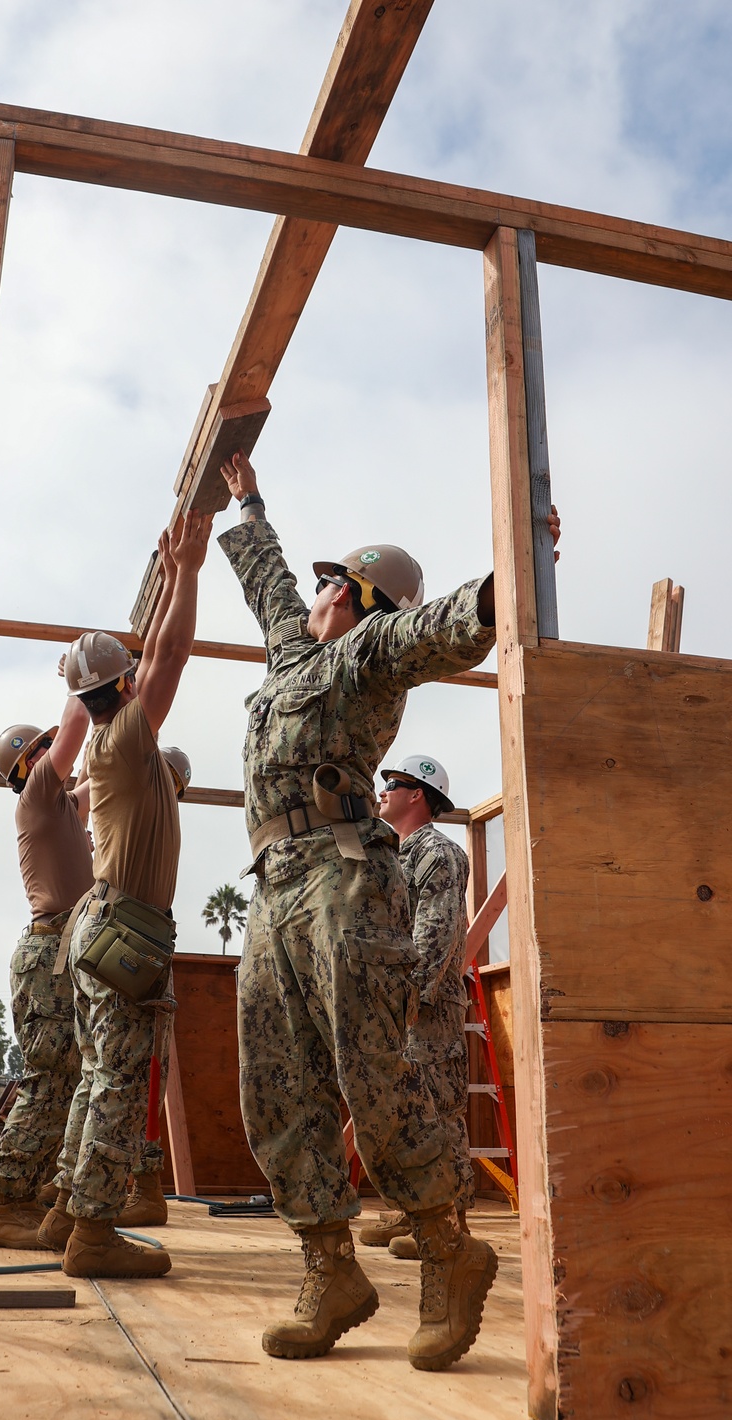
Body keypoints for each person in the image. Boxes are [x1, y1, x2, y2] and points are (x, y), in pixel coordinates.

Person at [217, 451, 558, 1368]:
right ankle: (330, 1266)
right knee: (275, 1083)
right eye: (321, 580)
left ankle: (449, 1251)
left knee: (372, 1074)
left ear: (363, 598)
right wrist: (248, 504)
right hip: (275, 886)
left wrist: (507, 581)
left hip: (343, 878)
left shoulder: (369, 654)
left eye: (334, 580)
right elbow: (267, 586)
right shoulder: (293, 652)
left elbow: (442, 626)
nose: (317, 591)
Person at [38, 511, 211, 1279]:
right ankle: (93, 1235)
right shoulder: (125, 738)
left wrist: (173, 576)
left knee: (94, 1075)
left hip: (97, 926)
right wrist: (188, 572)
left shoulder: (115, 751)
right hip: (123, 929)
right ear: (127, 686)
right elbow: (173, 653)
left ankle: (65, 1211)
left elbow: (157, 661)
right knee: (115, 1080)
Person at [0, 693, 93, 1249]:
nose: (57, 752)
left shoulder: (61, 806)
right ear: (31, 765)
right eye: (44, 749)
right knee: (49, 1083)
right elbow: (76, 722)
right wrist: (88, 672)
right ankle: (0, 1204)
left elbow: (97, 768)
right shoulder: (41, 792)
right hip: (51, 958)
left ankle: (32, 1188)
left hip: (63, 954)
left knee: (66, 1082)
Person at [359, 756, 474, 1259]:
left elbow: (437, 935)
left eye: (395, 784)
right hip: (394, 1005)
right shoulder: (390, 855)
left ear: (418, 796)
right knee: (404, 1111)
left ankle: (451, 1222)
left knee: (438, 1108)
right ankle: (415, 1210)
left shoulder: (439, 854)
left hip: (426, 1007)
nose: (384, 791)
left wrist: (407, 999)